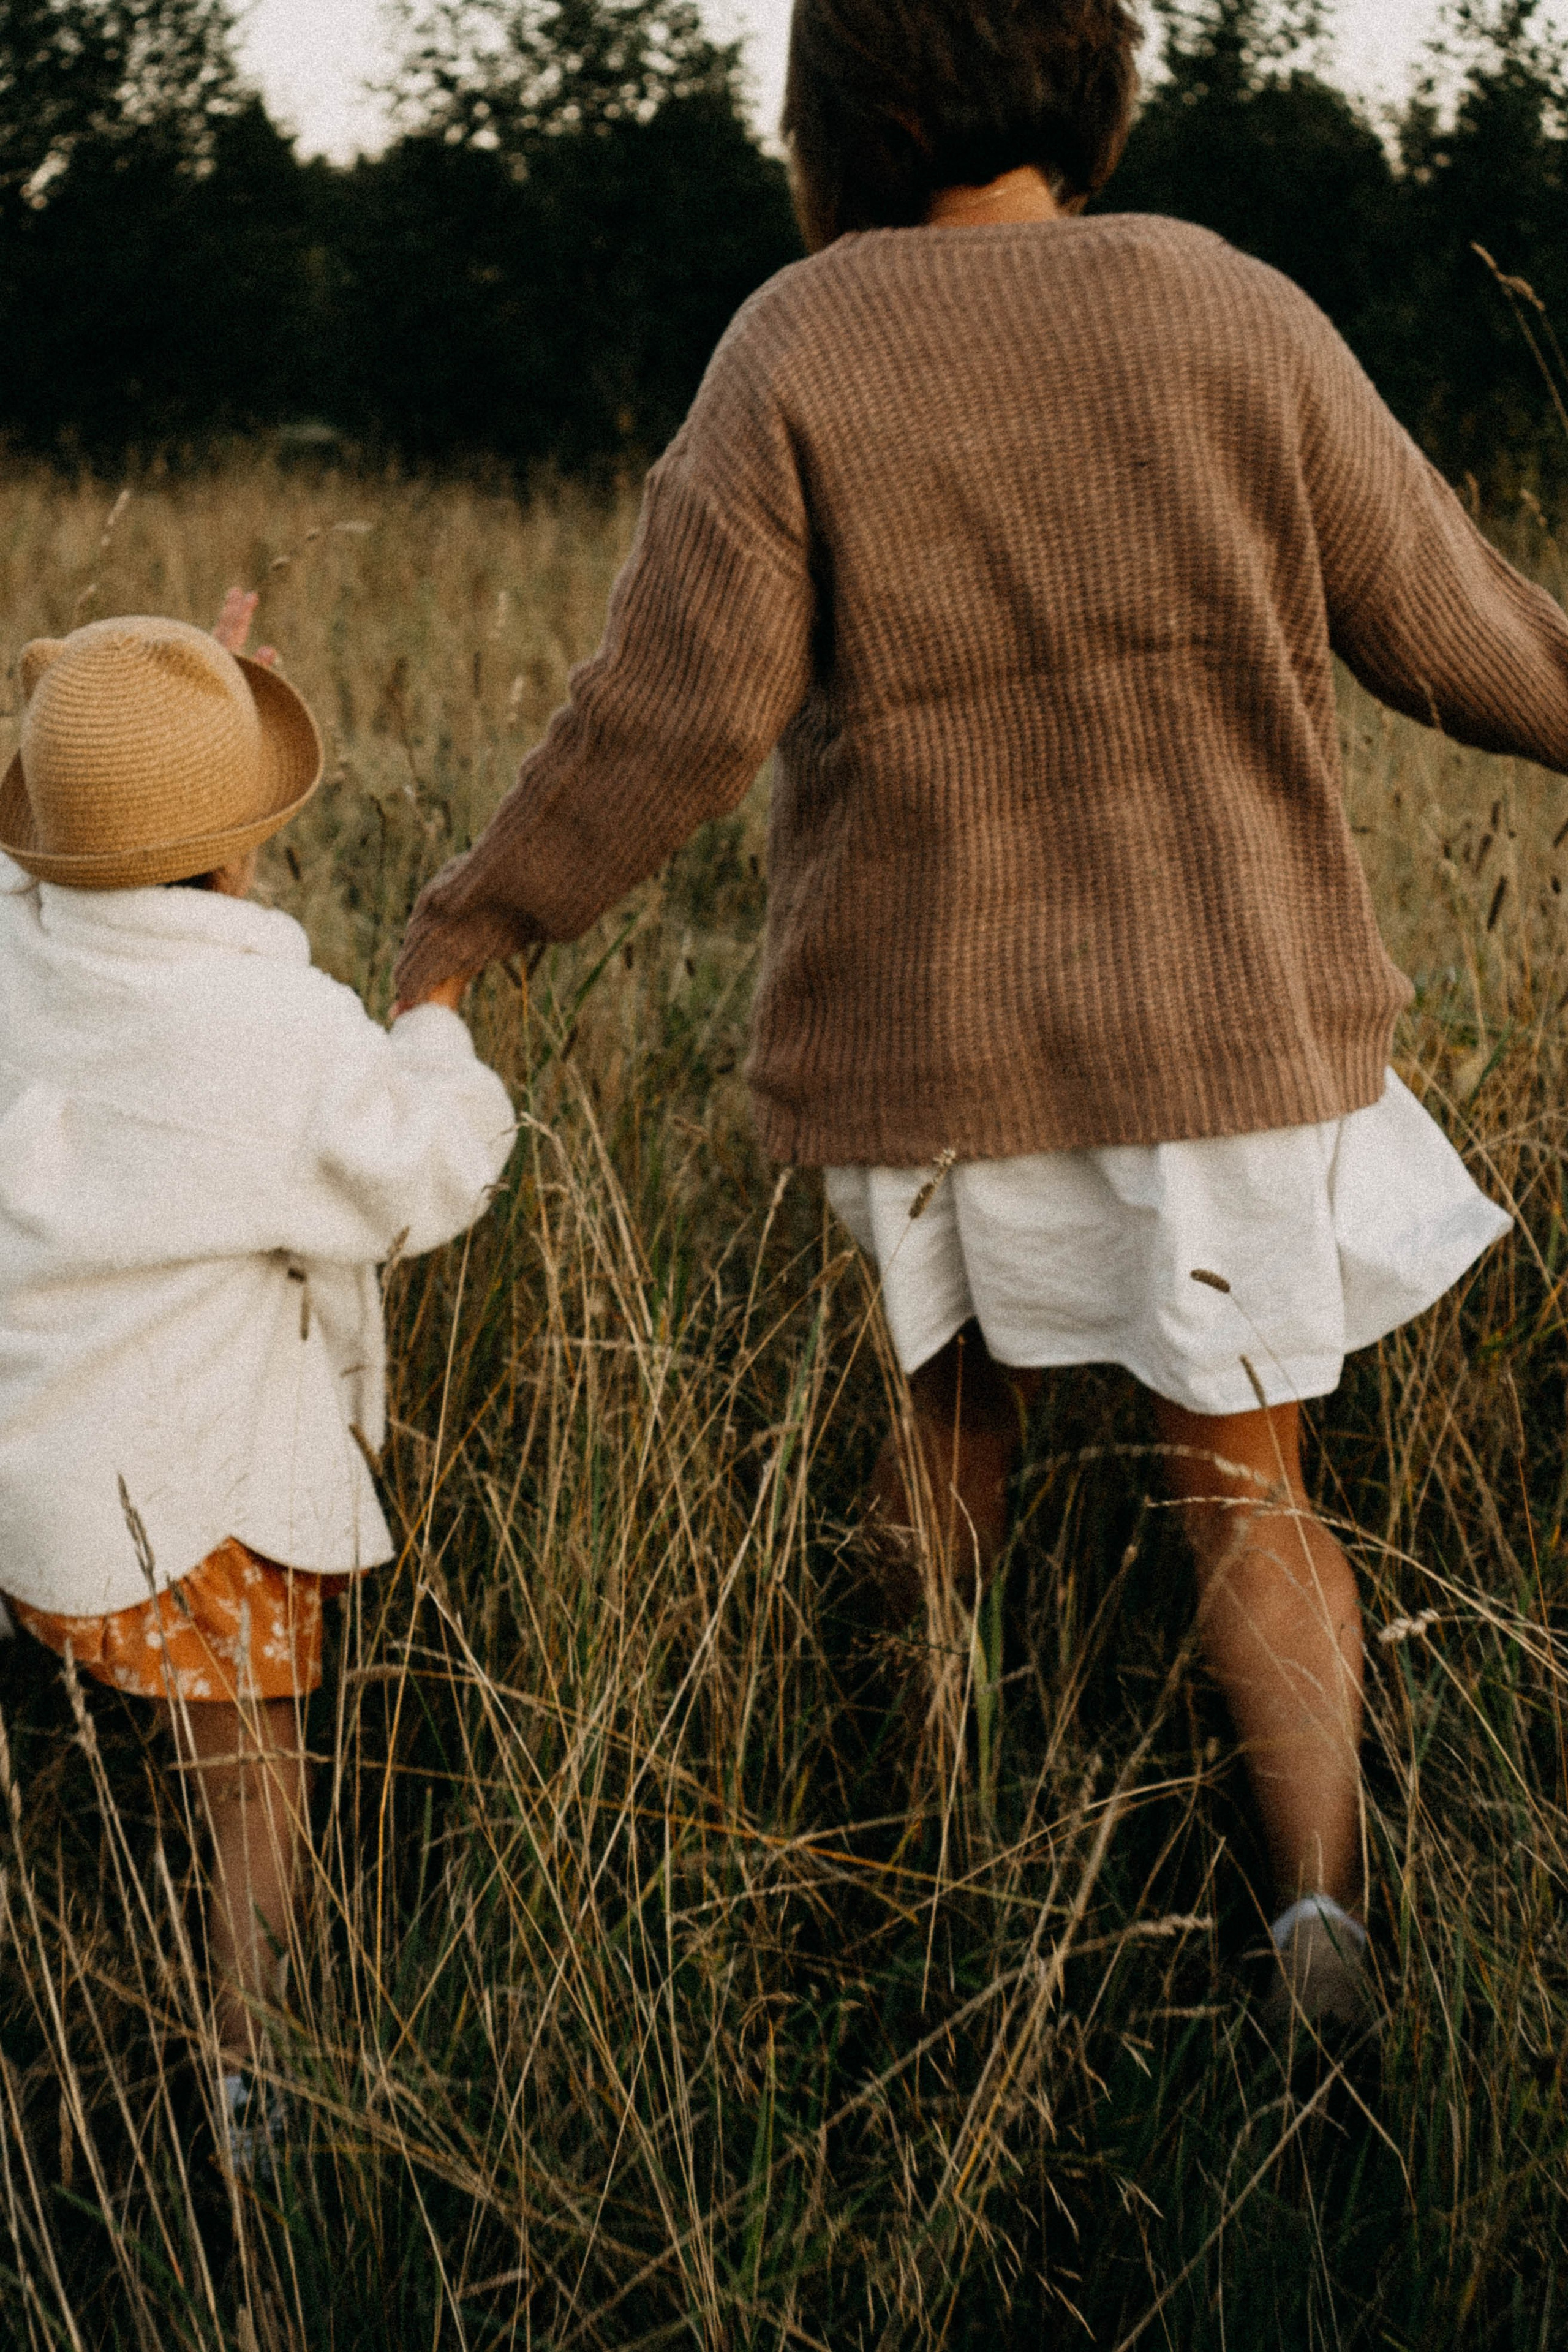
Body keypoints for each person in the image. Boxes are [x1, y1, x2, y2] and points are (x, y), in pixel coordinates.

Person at [391, 0, 1568, 2035]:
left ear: (831, 107)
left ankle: (935, 1873)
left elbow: (671, 714)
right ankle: (1318, 1923)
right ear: (1083, 78)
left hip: (930, 1050)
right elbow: (1451, 624)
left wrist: (467, 925)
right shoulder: (1234, 309)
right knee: (1248, 1483)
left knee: (942, 1456)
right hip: (1234, 1028)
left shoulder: (801, 341)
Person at [0, 609, 514, 2169]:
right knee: (253, 1785)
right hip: (194, 1490)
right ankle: (253, 2082)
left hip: (28, 1474)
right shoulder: (281, 1035)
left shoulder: (19, 946)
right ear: (244, 856)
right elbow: (434, 1178)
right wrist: (431, 1036)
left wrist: (134, 720)